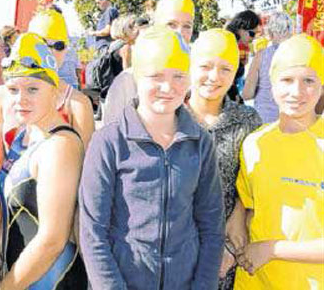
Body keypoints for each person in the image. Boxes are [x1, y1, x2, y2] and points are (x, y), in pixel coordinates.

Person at [79, 25, 224, 290]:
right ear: (136, 78)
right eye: (155, 76)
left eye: (179, 76)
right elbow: (92, 232)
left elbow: (212, 226)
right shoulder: (109, 142)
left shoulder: (201, 143)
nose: (167, 87)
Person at [0, 32, 87, 290]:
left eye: (33, 88)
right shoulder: (27, 134)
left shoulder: (60, 146)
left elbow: (53, 239)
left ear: (54, 91)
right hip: (24, 276)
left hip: (52, 279)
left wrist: (8, 287)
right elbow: (15, 207)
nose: (21, 99)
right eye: (13, 90)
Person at [234, 33, 324, 289]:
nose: (297, 92)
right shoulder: (255, 143)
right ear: (272, 85)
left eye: (308, 80)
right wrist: (237, 218)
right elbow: (249, 200)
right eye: (286, 80)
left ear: (321, 85)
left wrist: (273, 249)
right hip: (255, 281)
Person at [186, 29, 262, 290]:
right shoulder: (167, 117)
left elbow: (258, 183)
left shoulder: (248, 121)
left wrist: (239, 213)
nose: (214, 77)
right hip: (172, 253)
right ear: (190, 66)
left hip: (226, 254)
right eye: (205, 66)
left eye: (225, 69)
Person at [0, 9, 94, 178]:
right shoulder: (1, 96)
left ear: (66, 49)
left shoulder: (77, 104)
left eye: (58, 45)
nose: (49, 52)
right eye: (41, 44)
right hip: (7, 197)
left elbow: (85, 171)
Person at [103, 0, 195, 125]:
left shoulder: (199, 78)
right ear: (157, 26)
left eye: (187, 26)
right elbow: (110, 137)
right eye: (171, 24)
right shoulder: (127, 82)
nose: (179, 33)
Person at [243, 12, 293, 123]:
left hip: (265, 121)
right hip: (293, 122)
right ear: (291, 31)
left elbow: (247, 94)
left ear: (270, 33)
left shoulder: (261, 56)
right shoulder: (301, 55)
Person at [225, 10, 261, 103]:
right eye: (252, 34)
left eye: (255, 34)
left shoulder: (242, 46)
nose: (253, 38)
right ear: (241, 29)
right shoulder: (227, 44)